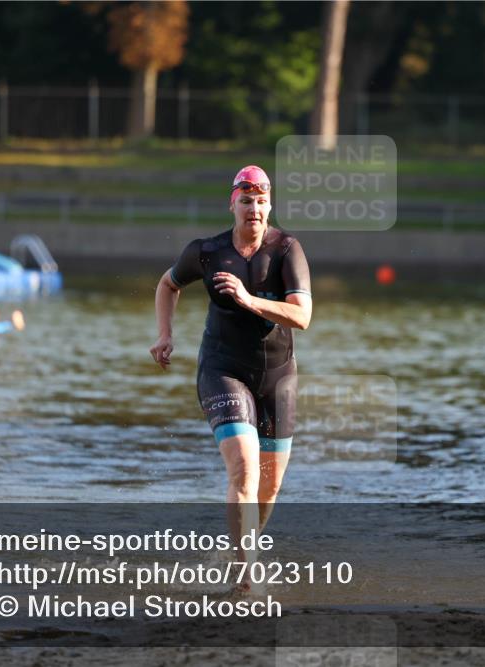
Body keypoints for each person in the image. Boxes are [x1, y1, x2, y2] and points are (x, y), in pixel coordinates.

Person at [150, 165, 312, 585]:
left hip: (278, 376)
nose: (254, 210)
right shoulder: (206, 252)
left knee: (270, 487)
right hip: (222, 370)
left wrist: (248, 299)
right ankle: (246, 572)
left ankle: (241, 550)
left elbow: (302, 316)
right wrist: (165, 334)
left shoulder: (287, 250)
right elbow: (168, 285)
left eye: (261, 202)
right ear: (232, 205)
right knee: (244, 468)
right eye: (246, 202)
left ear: (269, 205)